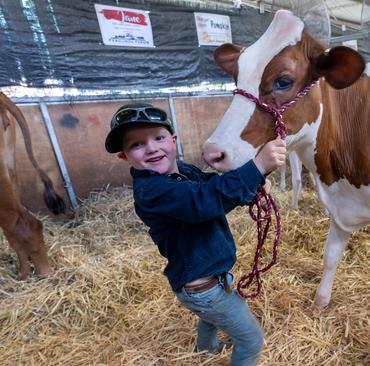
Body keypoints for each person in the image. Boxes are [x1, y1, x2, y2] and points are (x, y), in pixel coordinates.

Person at [105, 103, 286, 365]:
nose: (152, 147)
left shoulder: (185, 171)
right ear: (124, 156)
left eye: (158, 138)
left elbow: (215, 185)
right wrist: (256, 167)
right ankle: (212, 350)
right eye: (136, 144)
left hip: (212, 278)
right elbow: (204, 201)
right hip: (203, 288)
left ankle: (205, 352)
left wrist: (254, 183)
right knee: (251, 339)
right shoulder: (152, 191)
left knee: (210, 319)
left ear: (173, 140)